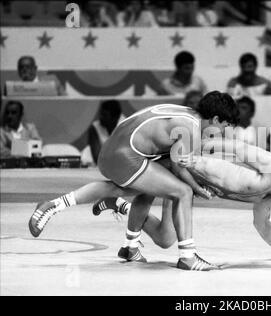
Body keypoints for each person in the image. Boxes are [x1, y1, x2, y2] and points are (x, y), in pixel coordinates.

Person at [28, 91, 239, 271]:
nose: (224, 132)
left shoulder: (186, 113)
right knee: (183, 191)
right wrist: (197, 189)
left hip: (115, 151)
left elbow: (173, 161)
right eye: (226, 126)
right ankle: (188, 256)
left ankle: (129, 245)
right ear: (216, 119)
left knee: (141, 187)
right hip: (126, 156)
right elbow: (179, 166)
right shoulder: (191, 128)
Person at [94, 137, 271, 263]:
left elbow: (263, 226)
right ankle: (123, 223)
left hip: (188, 184)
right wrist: (192, 150)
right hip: (185, 163)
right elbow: (237, 148)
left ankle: (121, 207)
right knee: (125, 186)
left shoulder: (266, 200)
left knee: (165, 239)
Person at [85, 100, 125, 165]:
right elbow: (97, 159)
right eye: (100, 114)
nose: (100, 117)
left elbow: (127, 157)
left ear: (115, 118)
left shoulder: (127, 125)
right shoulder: (94, 128)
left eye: (104, 115)